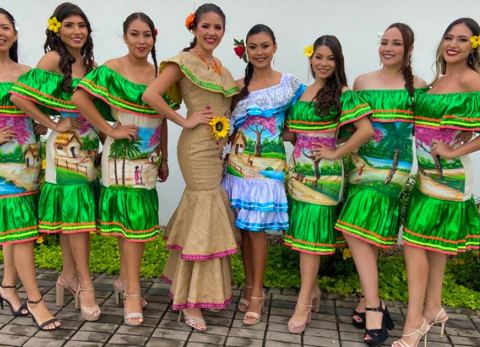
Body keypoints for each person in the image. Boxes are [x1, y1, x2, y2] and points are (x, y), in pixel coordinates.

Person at [142, 3, 240, 331]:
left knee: (209, 214)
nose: (211, 32)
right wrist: (184, 120)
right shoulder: (182, 61)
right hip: (195, 147)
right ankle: (190, 301)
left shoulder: (220, 67)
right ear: (194, 28)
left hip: (216, 148)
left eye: (217, 27)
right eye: (206, 26)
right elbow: (151, 94)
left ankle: (194, 292)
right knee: (204, 210)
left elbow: (227, 104)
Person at [72, 12, 173, 326]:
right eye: (134, 34)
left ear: (153, 37)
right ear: (125, 36)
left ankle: (126, 281)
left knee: (139, 227)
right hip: (121, 157)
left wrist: (165, 157)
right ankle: (131, 290)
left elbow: (162, 118)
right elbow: (79, 97)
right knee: (129, 225)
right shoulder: (112, 68)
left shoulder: (160, 72)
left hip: (149, 159)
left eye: (146, 35)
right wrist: (109, 129)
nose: (141, 41)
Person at [333, 23, 427, 346]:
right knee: (365, 234)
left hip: (393, 169)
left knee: (352, 227)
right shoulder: (362, 81)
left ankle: (374, 306)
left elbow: (427, 132)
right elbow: (351, 127)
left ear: (408, 49)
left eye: (396, 43)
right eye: (384, 42)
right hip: (360, 165)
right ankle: (368, 300)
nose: (388, 48)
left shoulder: (418, 85)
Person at [10, 2, 100, 322]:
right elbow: (20, 95)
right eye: (70, 25)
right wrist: (53, 123)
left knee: (75, 219)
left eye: (82, 25)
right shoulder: (52, 60)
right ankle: (85, 285)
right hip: (64, 150)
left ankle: (68, 277)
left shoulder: (89, 63)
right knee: (76, 219)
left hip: (89, 148)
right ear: (57, 29)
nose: (77, 31)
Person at [394, 17, 480, 347]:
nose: (453, 44)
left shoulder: (472, 80)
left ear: (474, 45)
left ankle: (414, 322)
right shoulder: (438, 81)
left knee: (415, 241)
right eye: (448, 37)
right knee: (432, 245)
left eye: (462, 39)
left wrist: (455, 147)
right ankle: (433, 308)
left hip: (450, 177)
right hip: (427, 173)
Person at [284, 35, 374, 334]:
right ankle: (312, 291)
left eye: (330, 58)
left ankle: (303, 302)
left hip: (324, 178)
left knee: (311, 241)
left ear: (338, 62)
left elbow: (366, 130)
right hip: (298, 176)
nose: (323, 63)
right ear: (311, 58)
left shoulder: (343, 94)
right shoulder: (303, 92)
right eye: (318, 57)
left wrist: (336, 151)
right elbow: (295, 134)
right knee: (303, 240)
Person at [222, 23, 305, 326]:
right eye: (253, 47)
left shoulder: (291, 85)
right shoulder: (235, 86)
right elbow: (227, 126)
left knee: (256, 231)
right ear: (246, 50)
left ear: (275, 47)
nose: (259, 52)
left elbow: (304, 118)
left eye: (265, 46)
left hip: (268, 168)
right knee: (244, 230)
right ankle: (247, 284)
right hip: (237, 166)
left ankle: (257, 293)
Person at [0, 7, 60, 331]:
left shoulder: (28, 72)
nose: (1, 32)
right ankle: (36, 300)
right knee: (22, 230)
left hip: (29, 162)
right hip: (1, 170)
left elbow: (41, 108)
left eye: (5, 27)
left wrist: (40, 125)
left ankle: (8, 287)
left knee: (16, 229)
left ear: (16, 32)